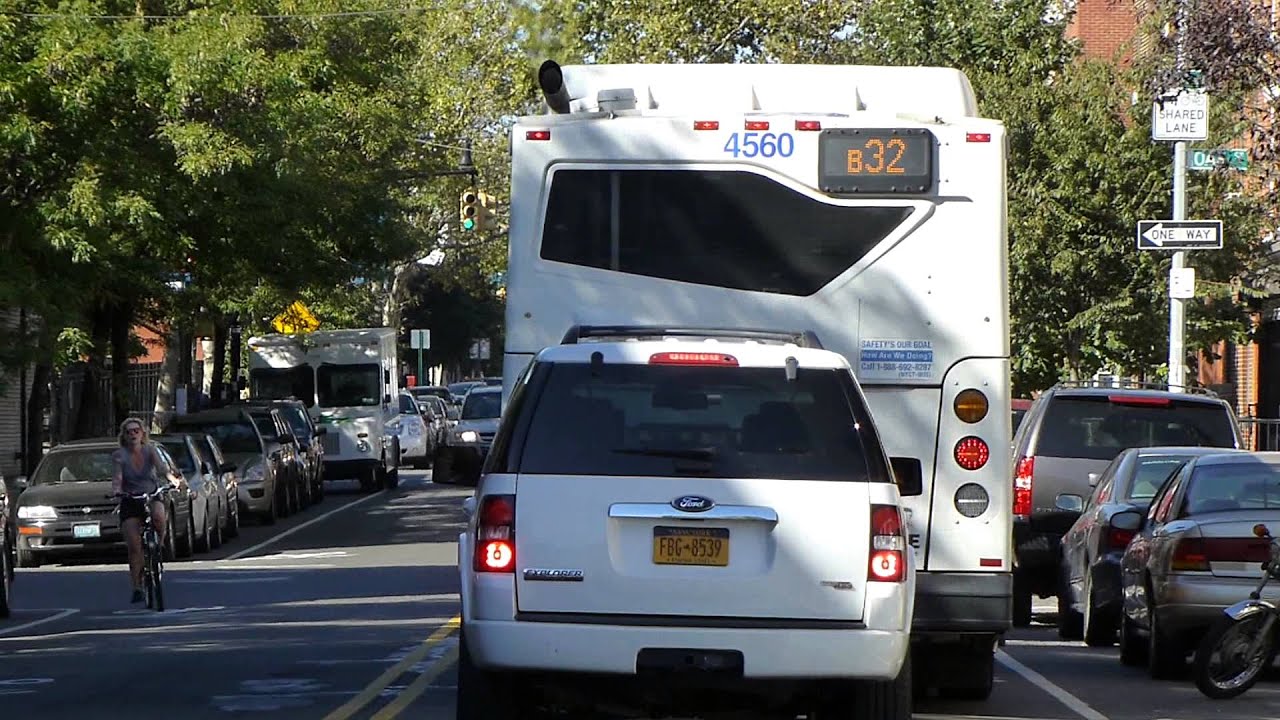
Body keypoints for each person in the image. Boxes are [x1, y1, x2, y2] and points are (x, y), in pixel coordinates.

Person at [111, 418, 170, 604]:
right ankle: (137, 586)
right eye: (129, 432)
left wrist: (174, 480)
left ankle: (159, 546)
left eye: (136, 430)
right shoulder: (119, 455)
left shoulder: (150, 451)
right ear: (124, 436)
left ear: (143, 433)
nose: (133, 434)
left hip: (150, 494)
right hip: (131, 498)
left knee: (159, 516)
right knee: (134, 546)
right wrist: (117, 491)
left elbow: (163, 469)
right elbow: (118, 477)